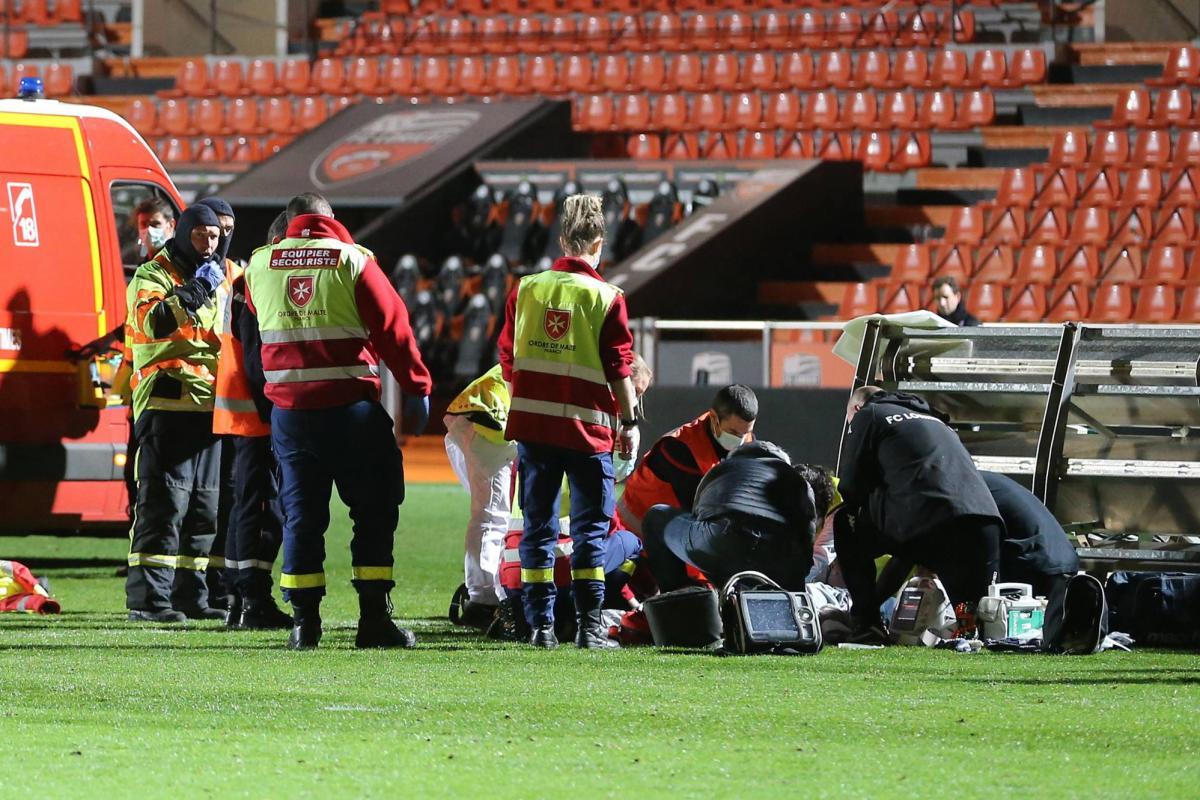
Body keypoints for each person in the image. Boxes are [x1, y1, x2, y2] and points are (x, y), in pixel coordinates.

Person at [241, 192, 432, 650]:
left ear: (290, 221)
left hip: (291, 416)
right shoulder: (353, 260)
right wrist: (417, 386)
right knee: (374, 512)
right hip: (351, 413)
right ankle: (373, 620)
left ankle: (304, 624)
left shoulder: (259, 265)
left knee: (301, 518)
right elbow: (393, 328)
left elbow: (258, 323)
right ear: (330, 219)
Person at [497, 193, 638, 650]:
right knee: (589, 532)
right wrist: (630, 422)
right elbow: (619, 367)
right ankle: (588, 628)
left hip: (534, 432)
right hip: (587, 433)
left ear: (561, 241)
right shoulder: (607, 298)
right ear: (599, 244)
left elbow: (507, 358)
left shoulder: (526, 289)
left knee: (537, 528)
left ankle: (540, 627)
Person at [444, 354, 653, 631]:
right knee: (493, 516)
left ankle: (491, 593)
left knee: (496, 515)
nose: (634, 401)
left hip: (482, 414)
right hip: (492, 419)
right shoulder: (585, 404)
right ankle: (485, 600)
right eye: (635, 390)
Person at [124, 203, 229, 623]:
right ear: (183, 233)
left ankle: (191, 596)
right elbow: (155, 323)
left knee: (204, 508)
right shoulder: (152, 274)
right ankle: (149, 601)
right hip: (166, 401)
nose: (208, 243)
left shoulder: (217, 278)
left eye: (215, 236)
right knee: (164, 504)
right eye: (201, 234)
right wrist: (195, 290)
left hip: (208, 405)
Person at [835, 386, 1002, 642]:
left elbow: (850, 486)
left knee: (846, 522)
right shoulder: (936, 420)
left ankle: (866, 623)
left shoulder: (870, 413)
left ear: (856, 409)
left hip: (927, 522)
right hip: (984, 523)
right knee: (976, 623)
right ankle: (968, 627)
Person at [213, 209, 292, 630]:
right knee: (262, 508)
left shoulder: (249, 278)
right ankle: (252, 600)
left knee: (249, 506)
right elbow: (256, 354)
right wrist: (275, 408)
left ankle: (238, 599)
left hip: (244, 410)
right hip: (257, 411)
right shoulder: (259, 279)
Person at [642, 441, 831, 593]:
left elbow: (700, 516)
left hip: (725, 542)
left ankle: (679, 601)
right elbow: (806, 533)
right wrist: (795, 583)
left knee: (657, 516)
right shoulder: (799, 482)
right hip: (780, 561)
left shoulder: (725, 468)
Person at [617, 384, 758, 535]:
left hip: (672, 523)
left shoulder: (745, 440)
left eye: (745, 433)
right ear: (714, 418)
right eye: (733, 432)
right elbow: (704, 512)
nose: (740, 439)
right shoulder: (679, 449)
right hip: (635, 525)